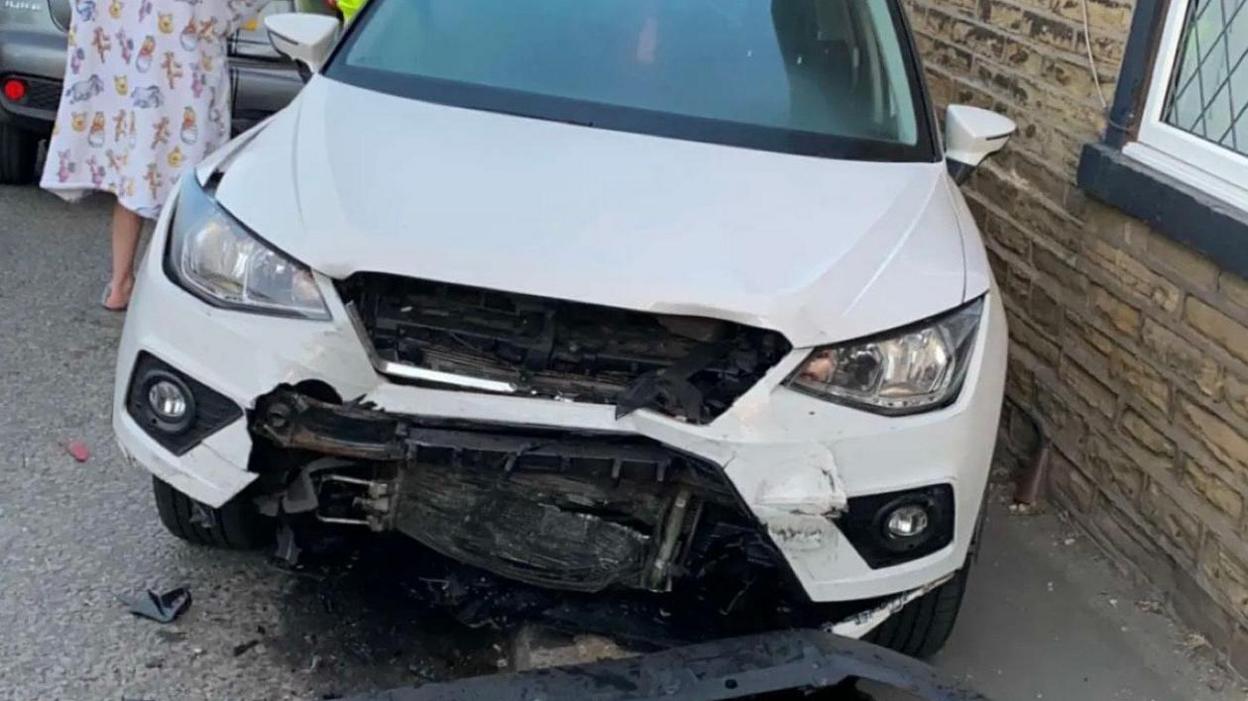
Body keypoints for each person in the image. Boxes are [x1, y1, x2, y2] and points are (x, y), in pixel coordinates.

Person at [42, 0, 270, 311]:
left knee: (135, 178)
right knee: (193, 189)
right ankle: (183, 288)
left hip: (134, 81)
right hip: (187, 81)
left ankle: (120, 282)